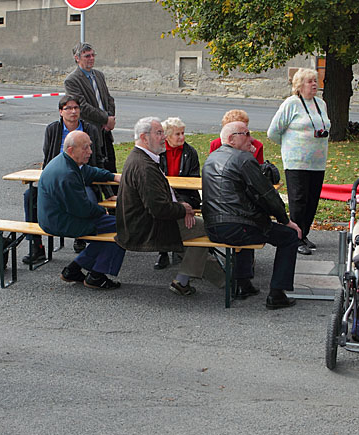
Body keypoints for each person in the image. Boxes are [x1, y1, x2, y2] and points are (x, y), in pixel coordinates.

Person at [116, 117, 222, 296]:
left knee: (196, 237)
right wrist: (184, 209)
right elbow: (158, 209)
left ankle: (198, 280)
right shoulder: (144, 166)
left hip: (150, 220)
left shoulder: (143, 158)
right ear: (144, 137)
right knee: (206, 230)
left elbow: (165, 193)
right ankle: (220, 282)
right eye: (159, 133)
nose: (163, 137)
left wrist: (181, 205)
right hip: (148, 228)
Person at [203, 121, 302, 309]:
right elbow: (267, 194)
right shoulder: (244, 159)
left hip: (213, 227)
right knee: (289, 237)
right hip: (236, 227)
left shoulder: (211, 158)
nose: (252, 138)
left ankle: (243, 284)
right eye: (246, 134)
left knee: (248, 224)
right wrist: (285, 220)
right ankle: (277, 294)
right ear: (231, 139)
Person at [38, 130, 125, 289]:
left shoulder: (66, 162)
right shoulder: (66, 174)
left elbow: (90, 172)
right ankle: (97, 276)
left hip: (55, 217)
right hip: (60, 222)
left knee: (114, 227)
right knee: (123, 228)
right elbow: (82, 210)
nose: (90, 151)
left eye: (90, 146)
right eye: (85, 148)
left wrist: (113, 176)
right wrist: (103, 211)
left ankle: (74, 269)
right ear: (71, 150)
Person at [24, 96, 105, 264]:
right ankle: (36, 246)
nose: (73, 111)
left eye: (76, 108)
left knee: (87, 199)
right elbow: (48, 156)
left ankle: (82, 236)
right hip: (58, 176)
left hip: (83, 177)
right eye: (68, 108)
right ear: (61, 112)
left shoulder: (90, 129)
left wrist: (108, 191)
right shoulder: (53, 129)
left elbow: (98, 158)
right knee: (30, 196)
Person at [267, 67, 330, 256]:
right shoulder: (291, 104)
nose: (314, 84)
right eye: (310, 81)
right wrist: (289, 146)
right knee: (298, 200)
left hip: (317, 162)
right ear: (299, 85)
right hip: (296, 162)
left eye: (315, 81)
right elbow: (273, 132)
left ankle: (304, 233)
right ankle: (295, 237)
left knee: (312, 200)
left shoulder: (321, 103)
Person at [154, 116, 201, 270]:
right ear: (167, 136)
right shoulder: (158, 152)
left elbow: (194, 179)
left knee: (174, 208)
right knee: (162, 208)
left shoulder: (190, 152)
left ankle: (176, 246)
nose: (182, 137)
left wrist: (180, 200)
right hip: (164, 194)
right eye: (177, 134)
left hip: (186, 194)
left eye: (183, 133)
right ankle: (164, 251)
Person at [64, 42, 116, 173]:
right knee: (96, 170)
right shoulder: (72, 80)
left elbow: (108, 99)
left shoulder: (99, 75)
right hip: (90, 133)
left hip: (106, 132)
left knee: (111, 169)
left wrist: (110, 118)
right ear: (77, 58)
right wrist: (105, 119)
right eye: (87, 56)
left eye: (93, 55)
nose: (91, 58)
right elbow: (82, 107)